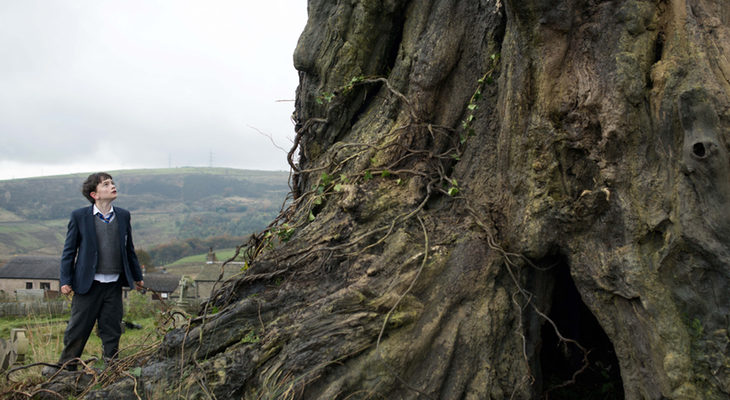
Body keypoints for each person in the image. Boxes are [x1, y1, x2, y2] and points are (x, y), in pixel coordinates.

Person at [45, 172, 144, 374]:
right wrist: (65, 280)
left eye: (112, 183)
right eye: (106, 184)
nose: (112, 186)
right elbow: (69, 251)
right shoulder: (79, 216)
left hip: (114, 284)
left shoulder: (123, 215)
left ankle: (111, 366)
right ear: (94, 194)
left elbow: (129, 249)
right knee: (78, 328)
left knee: (112, 328)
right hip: (87, 285)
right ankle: (66, 367)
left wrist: (137, 276)